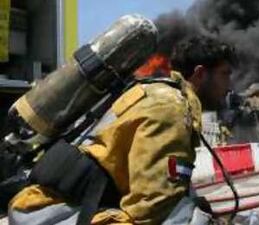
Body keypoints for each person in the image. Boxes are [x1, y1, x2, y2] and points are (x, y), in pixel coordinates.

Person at [8, 36, 236, 224]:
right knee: (187, 218)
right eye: (225, 74)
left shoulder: (152, 91)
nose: (229, 86)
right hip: (53, 214)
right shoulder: (171, 108)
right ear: (200, 73)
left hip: (44, 207)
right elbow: (151, 210)